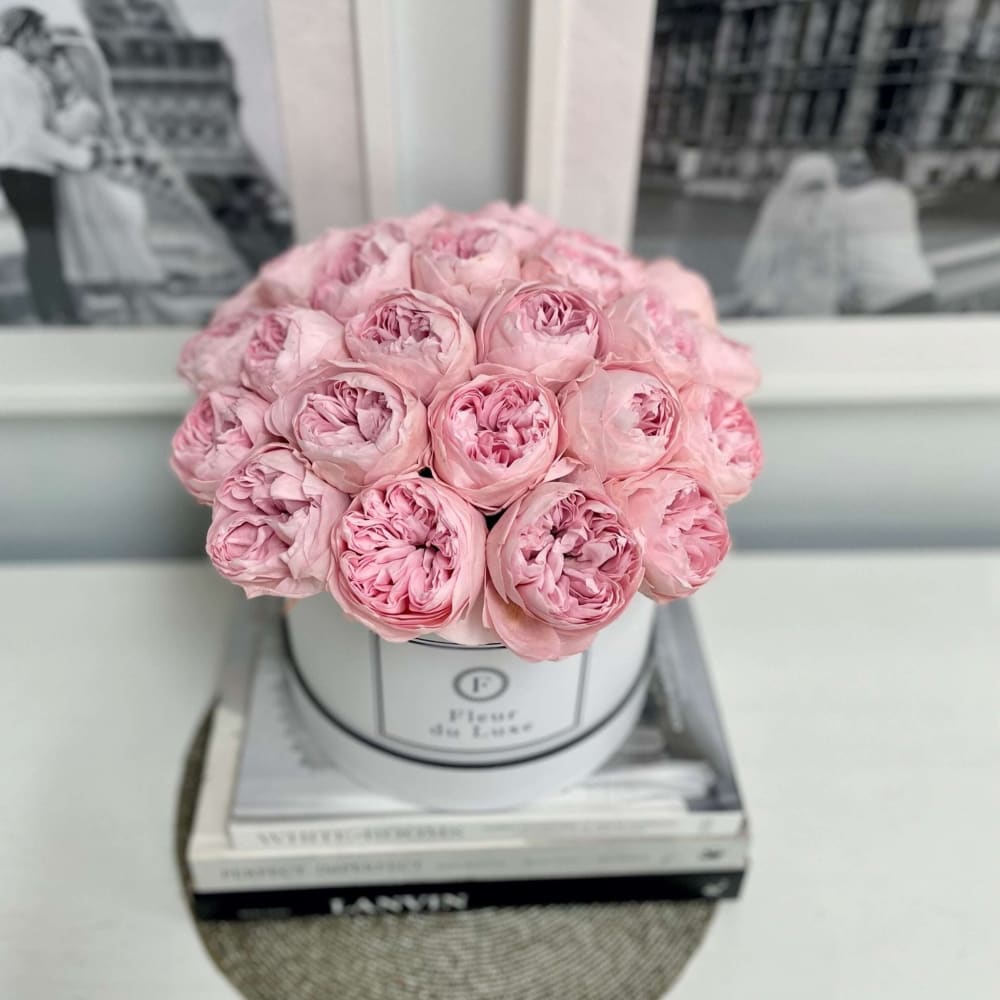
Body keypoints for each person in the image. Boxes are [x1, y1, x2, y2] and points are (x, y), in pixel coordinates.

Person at [46, 32, 165, 323]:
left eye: (57, 64)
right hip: (73, 188)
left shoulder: (86, 109)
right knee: (85, 255)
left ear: (78, 69)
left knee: (99, 251)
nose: (50, 70)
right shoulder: (73, 106)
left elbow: (56, 137)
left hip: (84, 190)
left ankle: (137, 316)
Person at [0, 7, 91, 323]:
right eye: (44, 35)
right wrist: (78, 157)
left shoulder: (22, 72)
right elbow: (31, 135)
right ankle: (55, 312)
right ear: (25, 37)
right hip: (26, 170)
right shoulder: (13, 77)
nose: (50, 42)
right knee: (43, 243)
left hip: (28, 168)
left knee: (43, 243)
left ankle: (55, 310)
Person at [735, 153, 841, 316]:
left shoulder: (833, 212)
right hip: (786, 295)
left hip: (821, 296)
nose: (817, 195)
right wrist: (763, 293)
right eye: (811, 187)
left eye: (821, 187)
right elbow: (763, 254)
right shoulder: (780, 211)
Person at [839, 135, 936, 314]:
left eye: (855, 166)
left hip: (883, 301)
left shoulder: (847, 203)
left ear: (872, 168)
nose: (842, 171)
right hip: (922, 290)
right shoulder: (903, 196)